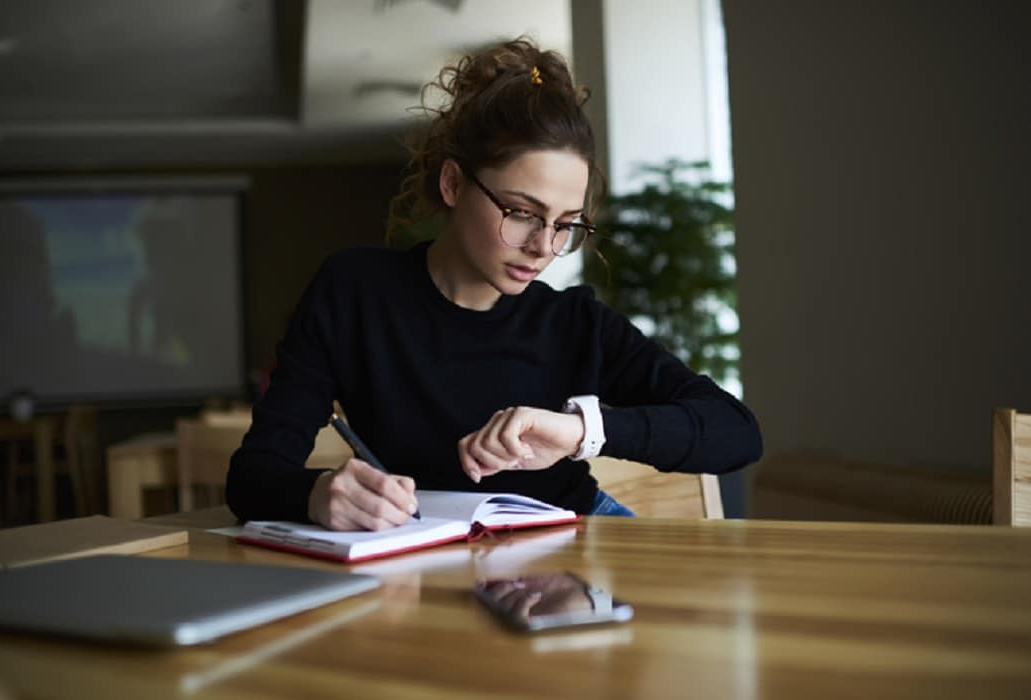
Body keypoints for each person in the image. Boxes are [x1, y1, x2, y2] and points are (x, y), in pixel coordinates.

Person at [226, 38, 762, 531]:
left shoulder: (574, 322)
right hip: (427, 551)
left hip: (573, 542)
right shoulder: (354, 293)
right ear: (453, 183)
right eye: (522, 213)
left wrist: (579, 432)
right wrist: (317, 494)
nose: (544, 246)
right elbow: (253, 476)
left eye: (566, 224)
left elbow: (736, 431)